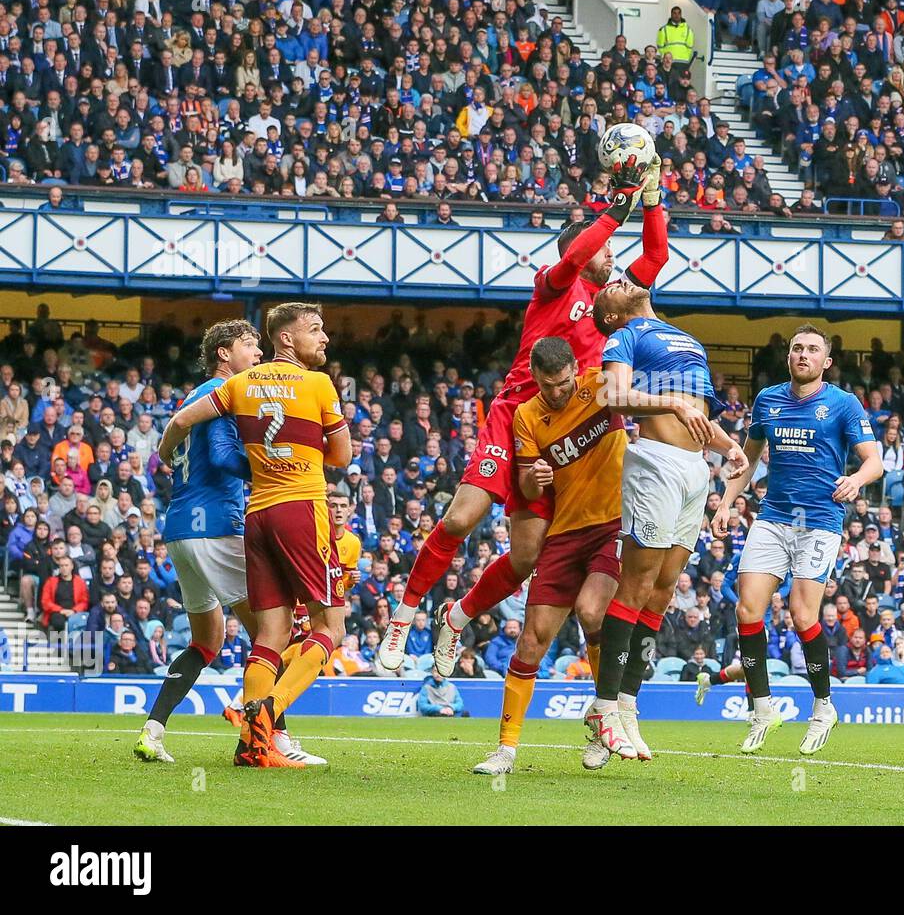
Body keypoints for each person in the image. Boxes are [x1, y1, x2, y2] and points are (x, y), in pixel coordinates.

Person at [379, 156, 666, 673]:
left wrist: (651, 200)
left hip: (569, 430)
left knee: (528, 557)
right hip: (515, 411)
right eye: (605, 247)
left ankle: (457, 618)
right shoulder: (554, 283)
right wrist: (612, 210)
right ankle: (403, 616)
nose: (612, 254)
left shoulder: (612, 305)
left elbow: (656, 255)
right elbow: (579, 251)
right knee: (461, 518)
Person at [159, 303, 352, 769]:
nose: (324, 337)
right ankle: (265, 719)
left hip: (257, 514)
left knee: (270, 633)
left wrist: (167, 458)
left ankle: (253, 749)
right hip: (302, 507)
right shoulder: (318, 383)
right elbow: (341, 458)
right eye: (315, 329)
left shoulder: (239, 384)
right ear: (286, 339)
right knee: (331, 626)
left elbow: (183, 421)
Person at [583, 276, 745, 761]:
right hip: (655, 460)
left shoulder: (686, 337)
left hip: (697, 468)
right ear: (610, 314)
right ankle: (604, 706)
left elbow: (697, 417)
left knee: (663, 589)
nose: (619, 279)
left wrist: (728, 445)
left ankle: (628, 706)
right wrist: (671, 402)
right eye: (608, 287)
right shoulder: (623, 336)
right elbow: (613, 397)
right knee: (636, 584)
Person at [710, 324, 881, 754]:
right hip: (773, 517)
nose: (802, 354)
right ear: (788, 357)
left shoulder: (842, 404)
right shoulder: (768, 400)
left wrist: (857, 479)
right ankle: (762, 710)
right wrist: (727, 503)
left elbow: (874, 460)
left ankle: (823, 706)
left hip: (820, 521)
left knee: (803, 616)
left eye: (811, 350)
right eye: (796, 348)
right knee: (748, 609)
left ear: (826, 362)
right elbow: (747, 460)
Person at [471, 338, 625, 775]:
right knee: (532, 639)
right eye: (546, 385)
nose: (556, 393)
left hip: (613, 523)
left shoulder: (601, 385)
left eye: (561, 384)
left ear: (575, 369)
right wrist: (536, 476)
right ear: (535, 379)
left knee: (592, 613)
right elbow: (526, 487)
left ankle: (603, 726)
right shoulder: (527, 415)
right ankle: (505, 749)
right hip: (563, 532)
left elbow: (641, 406)